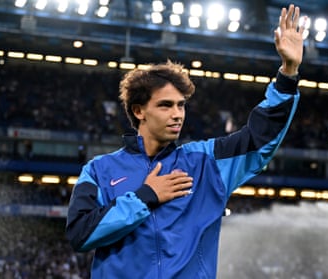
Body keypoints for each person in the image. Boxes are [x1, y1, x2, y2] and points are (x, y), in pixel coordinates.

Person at [66, 4, 305, 278]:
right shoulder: (99, 170)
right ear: (139, 110)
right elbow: (80, 234)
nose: (177, 114)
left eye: (181, 105)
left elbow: (259, 139)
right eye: (166, 106)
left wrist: (288, 74)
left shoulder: (205, 163)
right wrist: (145, 197)